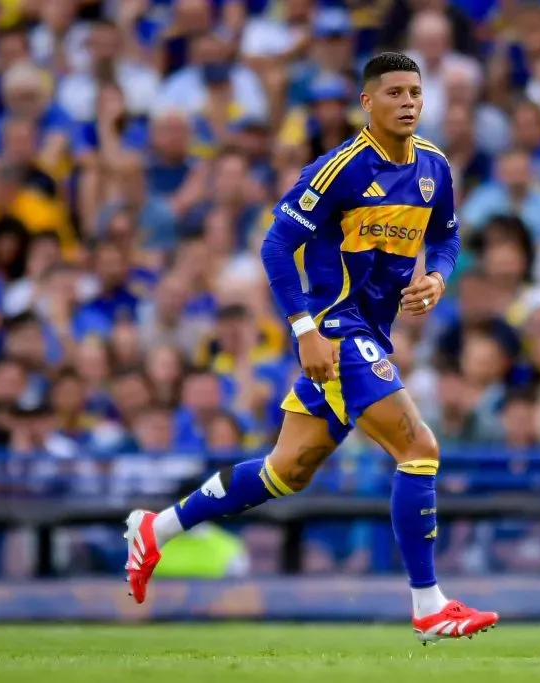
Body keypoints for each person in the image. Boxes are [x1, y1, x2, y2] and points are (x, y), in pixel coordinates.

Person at [123, 53, 498, 643]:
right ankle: (429, 606)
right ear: (367, 103)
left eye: (415, 92)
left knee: (286, 472)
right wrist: (304, 330)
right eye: (394, 92)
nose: (408, 102)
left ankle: (157, 528)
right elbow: (276, 246)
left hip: (372, 332)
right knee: (418, 446)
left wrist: (439, 276)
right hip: (337, 329)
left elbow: (447, 234)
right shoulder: (339, 170)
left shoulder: (435, 167)